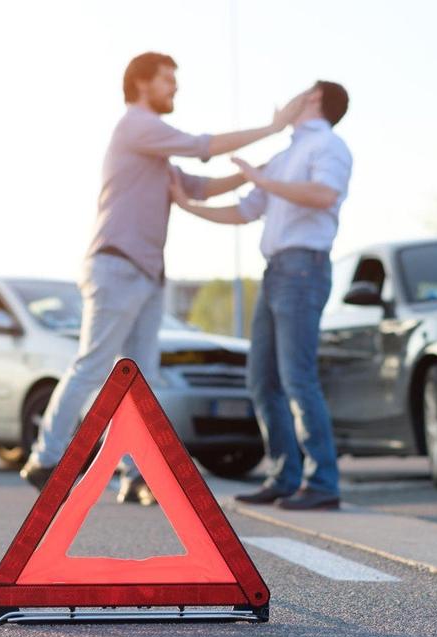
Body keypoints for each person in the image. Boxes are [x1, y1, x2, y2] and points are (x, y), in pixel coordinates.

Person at [20, 52, 306, 503]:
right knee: (94, 365)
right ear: (141, 84)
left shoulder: (155, 152)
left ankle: (134, 474)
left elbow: (200, 187)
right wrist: (270, 129)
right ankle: (46, 456)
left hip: (148, 274)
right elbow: (203, 144)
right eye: (167, 80)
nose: (175, 87)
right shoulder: (137, 125)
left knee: (139, 378)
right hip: (116, 266)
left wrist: (262, 171)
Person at [170, 81, 352, 510]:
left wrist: (259, 177)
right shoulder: (286, 155)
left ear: (312, 100)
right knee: (262, 381)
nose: (286, 98)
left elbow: (324, 195)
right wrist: (187, 206)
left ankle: (322, 481)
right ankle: (285, 476)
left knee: (297, 378)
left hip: (304, 267)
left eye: (299, 92)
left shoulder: (329, 145)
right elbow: (245, 211)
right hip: (276, 272)